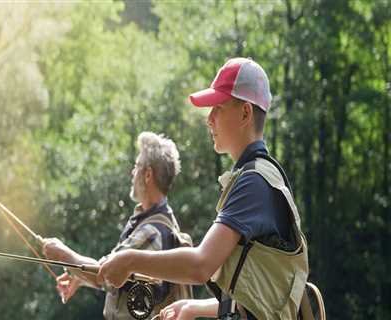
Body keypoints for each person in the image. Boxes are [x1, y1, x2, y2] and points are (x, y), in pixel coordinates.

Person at [97, 58, 309, 320]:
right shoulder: (261, 175)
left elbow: (200, 266)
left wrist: (129, 260)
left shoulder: (253, 182)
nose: (209, 119)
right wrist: (194, 307)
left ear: (245, 113)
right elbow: (261, 296)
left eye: (217, 108)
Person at [42, 131, 192, 320]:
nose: (132, 172)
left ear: (147, 174)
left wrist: (63, 254)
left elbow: (104, 274)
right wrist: (79, 278)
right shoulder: (153, 221)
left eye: (136, 166)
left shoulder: (152, 232)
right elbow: (121, 278)